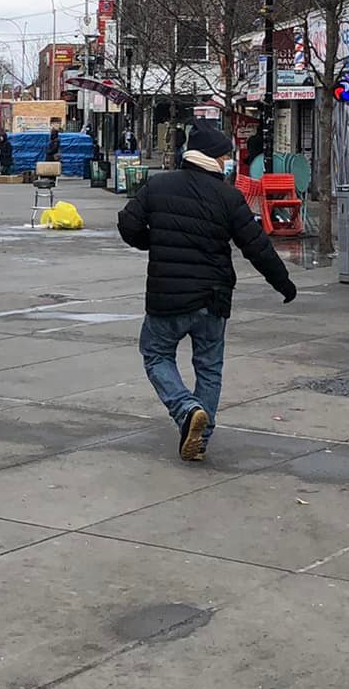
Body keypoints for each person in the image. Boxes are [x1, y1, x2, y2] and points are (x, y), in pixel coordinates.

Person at [117, 120, 296, 462]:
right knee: (209, 367)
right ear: (214, 158)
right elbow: (256, 246)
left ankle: (186, 411)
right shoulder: (229, 197)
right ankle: (201, 434)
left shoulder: (158, 187)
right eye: (226, 156)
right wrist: (283, 283)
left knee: (156, 354)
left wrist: (151, 241)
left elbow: (128, 223)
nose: (229, 161)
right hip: (214, 297)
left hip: (167, 296)